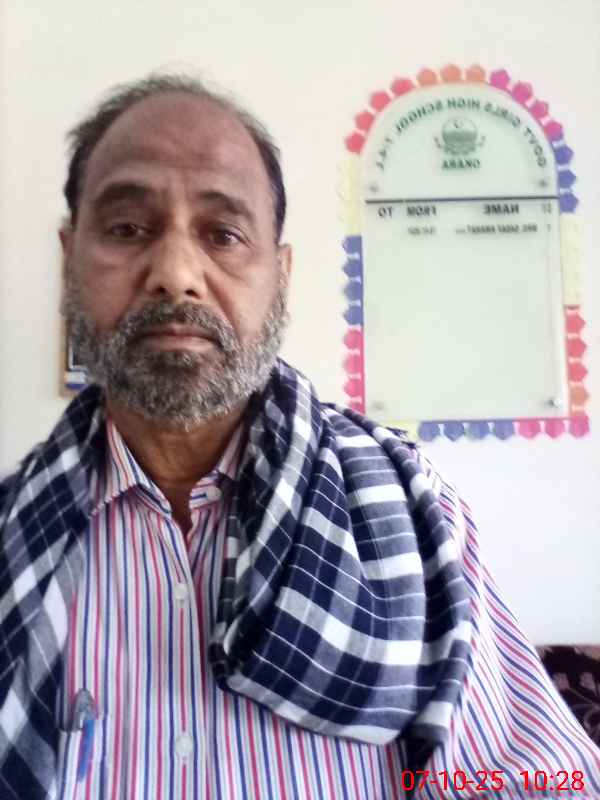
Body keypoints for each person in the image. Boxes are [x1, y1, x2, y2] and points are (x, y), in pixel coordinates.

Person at [0, 73, 598, 800]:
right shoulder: (11, 539)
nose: (176, 274)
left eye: (224, 234)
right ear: (69, 260)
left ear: (280, 278)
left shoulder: (416, 517)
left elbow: (533, 781)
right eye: (127, 228)